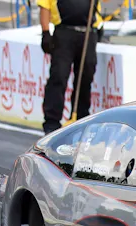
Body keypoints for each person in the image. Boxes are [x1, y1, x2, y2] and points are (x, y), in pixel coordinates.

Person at [38, 0, 104, 135]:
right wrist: (45, 32)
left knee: (86, 76)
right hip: (64, 32)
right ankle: (52, 121)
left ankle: (81, 117)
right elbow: (44, 6)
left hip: (88, 32)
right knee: (59, 76)